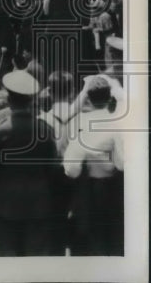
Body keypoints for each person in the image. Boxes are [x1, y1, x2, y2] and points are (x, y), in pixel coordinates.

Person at [0, 70, 61, 256]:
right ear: (31, 100)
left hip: (5, 202)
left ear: (9, 99)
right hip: (38, 202)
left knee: (7, 257)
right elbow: (53, 167)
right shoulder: (45, 129)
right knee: (36, 258)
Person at [62, 76, 124, 256]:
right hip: (112, 189)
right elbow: (121, 163)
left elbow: (72, 169)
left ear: (88, 98)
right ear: (109, 97)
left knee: (89, 242)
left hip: (87, 189)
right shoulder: (116, 122)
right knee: (112, 240)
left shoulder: (80, 123)